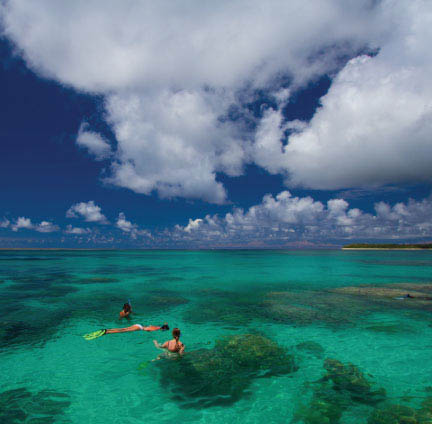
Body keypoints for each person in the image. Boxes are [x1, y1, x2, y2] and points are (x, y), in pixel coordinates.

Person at [105, 323, 169, 335]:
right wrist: (148, 331)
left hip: (138, 324)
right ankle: (108, 332)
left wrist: (166, 324)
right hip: (140, 328)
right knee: (123, 331)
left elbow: (165, 324)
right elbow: (147, 329)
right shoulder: (157, 329)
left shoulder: (158, 326)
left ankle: (108, 330)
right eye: (164, 330)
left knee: (123, 329)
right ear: (164, 329)